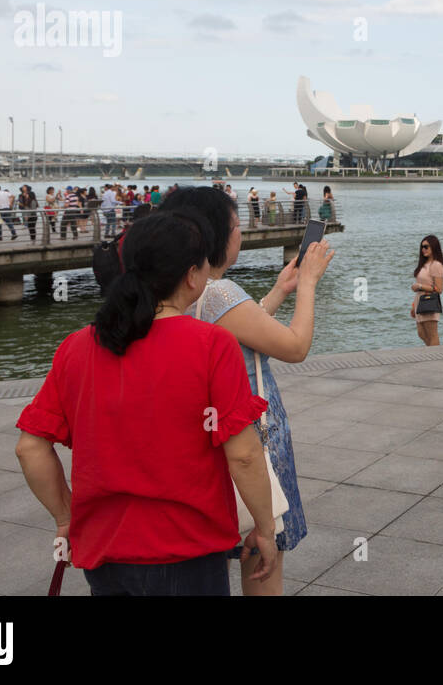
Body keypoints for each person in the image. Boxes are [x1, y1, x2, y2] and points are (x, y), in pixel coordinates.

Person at [14, 209, 278, 596]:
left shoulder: (78, 346)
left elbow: (29, 446)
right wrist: (266, 528)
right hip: (187, 549)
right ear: (191, 275)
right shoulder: (210, 345)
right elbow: (244, 454)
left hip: (104, 551)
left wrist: (66, 518)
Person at [161, 185, 333, 596]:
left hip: (207, 434)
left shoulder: (185, 292)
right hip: (253, 434)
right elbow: (295, 347)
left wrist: (279, 291)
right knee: (263, 557)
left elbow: (240, 330)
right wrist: (308, 283)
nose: (241, 233)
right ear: (214, 234)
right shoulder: (220, 292)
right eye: (237, 225)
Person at [409, 235, 443, 346]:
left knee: (432, 334)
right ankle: (433, 355)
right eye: (422, 247)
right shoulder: (424, 264)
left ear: (434, 247)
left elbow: (439, 289)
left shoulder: (436, 265)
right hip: (420, 302)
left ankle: (436, 358)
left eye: (426, 247)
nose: (423, 249)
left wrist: (420, 286)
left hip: (429, 302)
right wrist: (413, 306)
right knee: (421, 333)